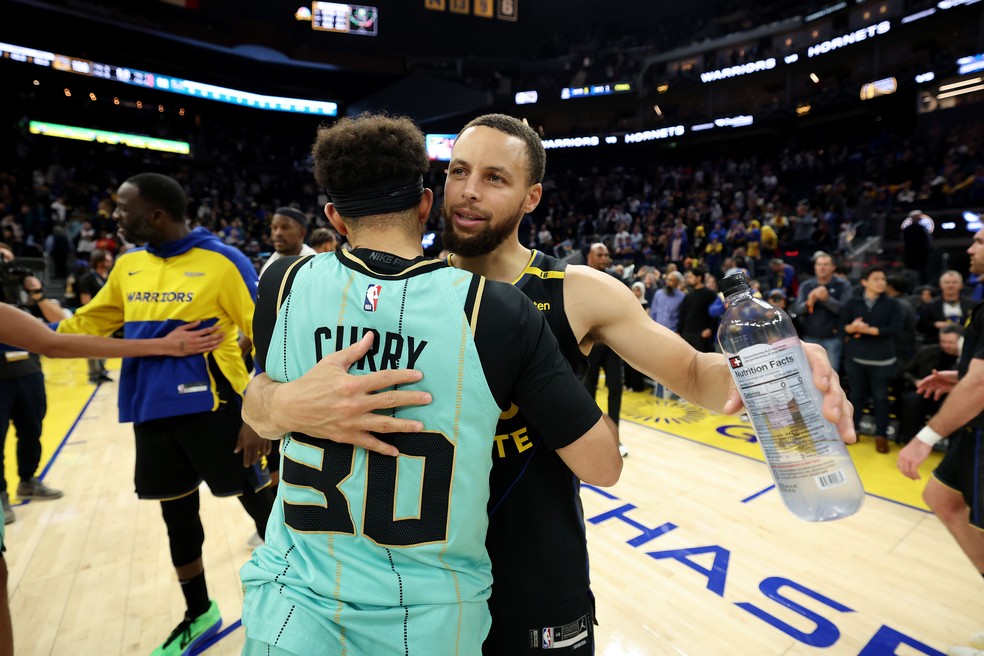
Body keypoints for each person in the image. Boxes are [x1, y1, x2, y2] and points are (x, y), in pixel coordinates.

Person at [242, 113, 855, 655]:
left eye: (495, 179)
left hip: (533, 563)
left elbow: (693, 372)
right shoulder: (408, 291)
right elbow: (264, 406)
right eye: (459, 172)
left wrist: (777, 364)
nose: (470, 192)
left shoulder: (576, 290)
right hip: (419, 575)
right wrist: (282, 400)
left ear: (532, 197)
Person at [238, 112, 620, 656]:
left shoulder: (283, 281)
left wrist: (277, 403)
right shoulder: (497, 311)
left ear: (333, 217)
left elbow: (257, 408)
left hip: (293, 605)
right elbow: (603, 465)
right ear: (425, 205)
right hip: (429, 620)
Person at [51, 173, 275, 656]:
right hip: (150, 411)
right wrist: (41, 328)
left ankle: (299, 598)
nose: (115, 217)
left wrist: (256, 415)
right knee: (178, 520)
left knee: (265, 510)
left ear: (156, 214)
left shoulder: (223, 260)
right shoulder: (128, 265)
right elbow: (92, 321)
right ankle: (200, 614)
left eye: (123, 209)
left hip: (218, 410)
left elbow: (267, 335)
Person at [0, 301, 222, 656]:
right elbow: (55, 340)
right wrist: (163, 344)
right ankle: (200, 610)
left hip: (210, 405)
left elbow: (55, 335)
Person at [897, 228, 984, 656]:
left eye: (981, 241)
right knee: (942, 497)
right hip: (975, 431)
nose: (970, 248)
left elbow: (982, 384)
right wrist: (958, 375)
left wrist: (925, 437)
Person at [0, 243, 70, 526]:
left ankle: (28, 480)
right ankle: (1, 496)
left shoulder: (24, 291)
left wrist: (36, 293)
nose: (5, 264)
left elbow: (60, 322)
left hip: (28, 371)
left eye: (6, 257)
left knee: (32, 430)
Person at [841, 266, 904, 454]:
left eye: (883, 279)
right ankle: (852, 430)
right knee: (856, 397)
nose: (881, 282)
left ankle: (881, 435)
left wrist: (871, 331)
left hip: (882, 360)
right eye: (876, 278)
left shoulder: (893, 304)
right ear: (864, 282)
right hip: (856, 357)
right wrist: (852, 328)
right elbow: (842, 325)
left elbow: (896, 329)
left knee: (881, 399)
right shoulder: (853, 302)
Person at [581, 242, 628, 455]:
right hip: (588, 345)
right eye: (600, 254)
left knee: (616, 389)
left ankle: (615, 438)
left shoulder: (615, 279)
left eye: (607, 255)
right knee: (588, 393)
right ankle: (591, 438)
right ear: (589, 257)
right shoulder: (577, 277)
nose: (604, 258)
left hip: (610, 344)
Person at [791, 251, 853, 373]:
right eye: (819, 264)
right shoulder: (806, 285)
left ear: (833, 267)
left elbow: (847, 311)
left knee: (831, 374)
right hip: (809, 337)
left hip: (833, 338)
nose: (822, 267)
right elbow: (797, 311)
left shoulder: (843, 285)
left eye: (826, 264)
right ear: (815, 267)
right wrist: (810, 302)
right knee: (809, 373)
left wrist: (827, 300)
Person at [76, 247, 115, 384]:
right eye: (107, 260)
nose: (110, 262)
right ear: (99, 262)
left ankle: (102, 371)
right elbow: (85, 300)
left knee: (106, 346)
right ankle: (93, 374)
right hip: (93, 317)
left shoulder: (109, 277)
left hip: (107, 318)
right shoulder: (88, 277)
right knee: (92, 346)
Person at [916, 270, 976, 345]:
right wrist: (934, 325)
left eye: (954, 282)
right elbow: (921, 328)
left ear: (961, 285)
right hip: (936, 344)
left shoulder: (973, 305)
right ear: (940, 285)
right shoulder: (930, 305)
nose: (950, 285)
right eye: (947, 282)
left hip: (966, 343)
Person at [258, 207, 316, 277]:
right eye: (274, 227)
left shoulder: (314, 265)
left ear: (302, 233)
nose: (277, 233)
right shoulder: (271, 262)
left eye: (285, 227)